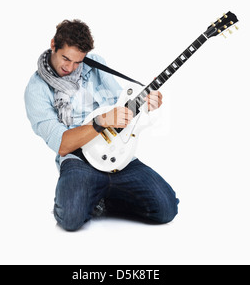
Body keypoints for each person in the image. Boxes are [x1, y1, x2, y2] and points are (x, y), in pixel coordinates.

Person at [24, 19, 179, 231]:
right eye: (66, 59)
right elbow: (62, 144)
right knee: (70, 219)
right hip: (77, 160)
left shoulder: (95, 64)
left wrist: (147, 105)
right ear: (53, 45)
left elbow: (123, 109)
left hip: (118, 153)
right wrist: (101, 122)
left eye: (78, 62)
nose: (70, 68)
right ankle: (91, 196)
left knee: (166, 208)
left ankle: (102, 198)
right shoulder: (36, 90)